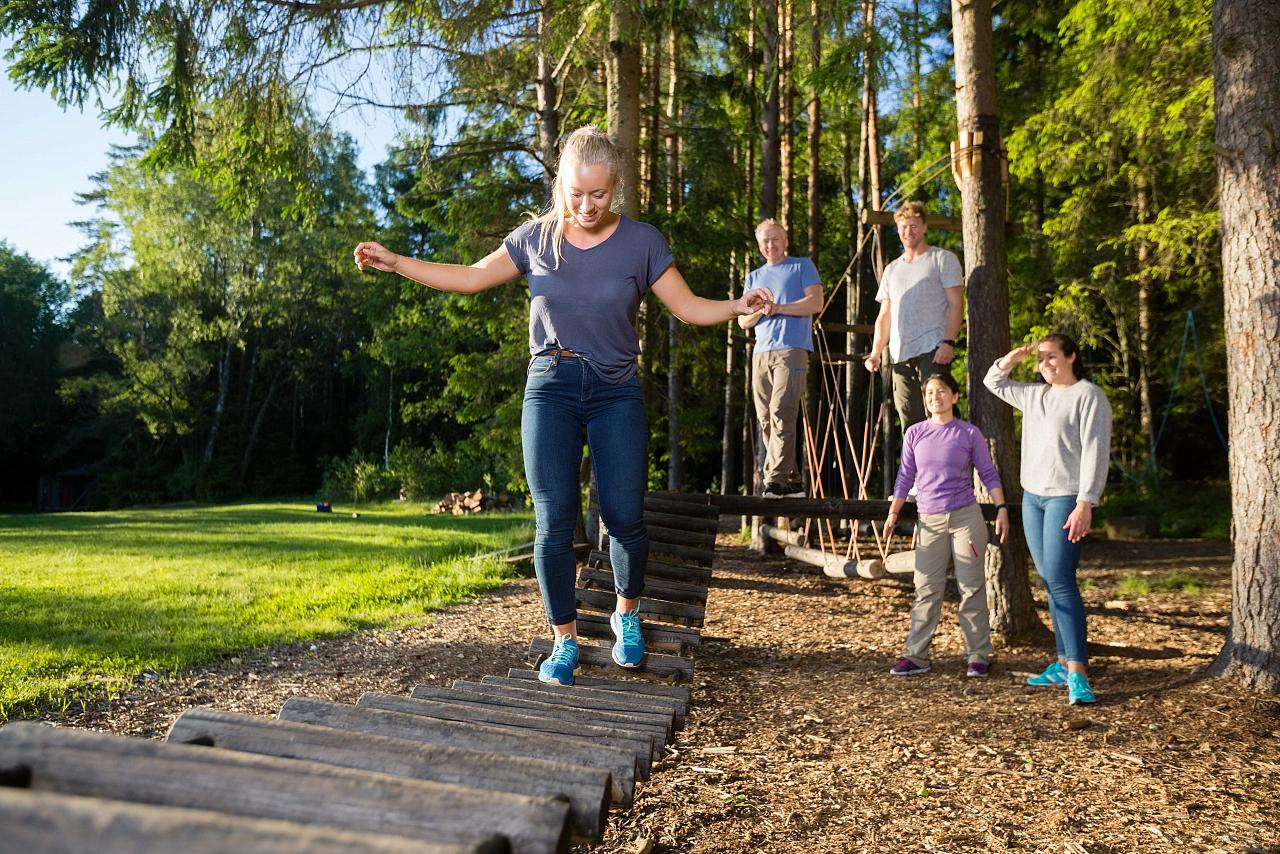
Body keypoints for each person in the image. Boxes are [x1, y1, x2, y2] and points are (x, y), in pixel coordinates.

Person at [354, 126, 772, 686]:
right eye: (577, 194)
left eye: (599, 195)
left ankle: (627, 616)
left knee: (624, 516)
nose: (587, 205)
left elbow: (689, 306)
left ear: (615, 188)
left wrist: (737, 305)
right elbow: (474, 276)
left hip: (615, 388)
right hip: (550, 384)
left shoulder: (642, 242)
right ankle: (564, 641)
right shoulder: (537, 238)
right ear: (562, 186)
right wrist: (398, 261)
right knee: (553, 523)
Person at [984, 333, 1112, 705]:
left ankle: (1078, 674)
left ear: (1071, 356)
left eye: (1052, 357)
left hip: (1066, 498)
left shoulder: (1089, 396)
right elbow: (993, 382)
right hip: (1033, 499)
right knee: (1049, 580)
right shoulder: (1035, 395)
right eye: (1040, 359)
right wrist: (1012, 358)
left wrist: (1086, 502)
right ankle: (1060, 663)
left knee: (1060, 581)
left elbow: (1095, 451)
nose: (1045, 364)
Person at [884, 373, 1009, 678]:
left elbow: (988, 473)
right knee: (926, 588)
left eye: (941, 391)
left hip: (966, 518)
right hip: (929, 520)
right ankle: (916, 656)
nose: (934, 397)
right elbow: (905, 475)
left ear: (954, 397)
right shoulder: (915, 433)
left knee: (971, 587)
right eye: (928, 393)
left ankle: (978, 655)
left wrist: (1002, 508)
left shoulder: (968, 433)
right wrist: (893, 513)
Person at [737, 219, 823, 499]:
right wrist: (760, 311)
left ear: (785, 241)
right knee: (765, 419)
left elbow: (815, 303)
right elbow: (743, 321)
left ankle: (774, 480)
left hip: (792, 348)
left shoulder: (801, 266)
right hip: (761, 352)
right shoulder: (753, 277)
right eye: (765, 241)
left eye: (775, 239)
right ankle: (794, 481)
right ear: (759, 245)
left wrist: (778, 308)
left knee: (782, 412)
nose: (770, 245)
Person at [863, 202, 965, 433]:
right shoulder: (891, 269)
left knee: (939, 413)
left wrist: (948, 342)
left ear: (925, 227)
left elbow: (956, 304)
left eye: (914, 226)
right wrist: (876, 352)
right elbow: (885, 316)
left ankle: (948, 467)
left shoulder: (942, 259)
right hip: (900, 355)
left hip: (933, 348)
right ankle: (918, 469)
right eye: (903, 227)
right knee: (910, 421)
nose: (908, 232)